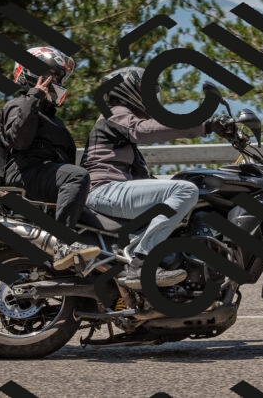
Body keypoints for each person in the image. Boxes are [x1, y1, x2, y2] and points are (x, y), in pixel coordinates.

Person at [80, 67, 236, 289]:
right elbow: (144, 131)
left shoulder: (121, 126)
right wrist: (206, 124)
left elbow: (143, 176)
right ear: (129, 89)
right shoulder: (114, 114)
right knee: (185, 190)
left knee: (183, 195)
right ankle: (142, 260)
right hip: (104, 189)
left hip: (113, 191)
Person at [0, 46, 100, 270]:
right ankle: (63, 244)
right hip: (25, 173)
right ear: (32, 75)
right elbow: (19, 141)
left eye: (58, 77)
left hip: (42, 175)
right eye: (51, 75)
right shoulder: (18, 105)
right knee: (76, 176)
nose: (56, 81)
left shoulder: (49, 115)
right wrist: (34, 96)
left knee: (97, 221)